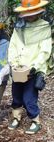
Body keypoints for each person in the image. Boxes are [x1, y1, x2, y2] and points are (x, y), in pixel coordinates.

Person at [8, 0, 52, 134]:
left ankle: (35, 120)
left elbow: (45, 50)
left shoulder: (44, 26)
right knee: (16, 95)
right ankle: (16, 117)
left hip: (33, 69)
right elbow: (13, 46)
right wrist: (13, 63)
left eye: (32, 13)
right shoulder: (19, 26)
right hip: (18, 68)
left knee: (29, 97)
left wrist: (34, 66)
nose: (30, 16)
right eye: (28, 13)